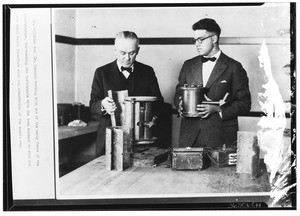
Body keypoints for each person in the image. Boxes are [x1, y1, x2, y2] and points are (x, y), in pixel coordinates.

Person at [174, 18, 251, 149]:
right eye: (195, 40)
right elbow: (178, 94)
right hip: (190, 138)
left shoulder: (234, 67)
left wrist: (217, 109)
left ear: (214, 38)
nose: (196, 44)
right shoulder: (188, 65)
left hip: (221, 138)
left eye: (201, 39)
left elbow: (245, 103)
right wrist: (180, 105)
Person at [90, 31, 163, 156]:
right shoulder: (101, 72)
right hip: (109, 140)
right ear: (115, 50)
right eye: (122, 53)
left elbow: (159, 103)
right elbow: (92, 105)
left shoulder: (148, 72)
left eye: (132, 53)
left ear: (138, 50)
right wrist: (103, 105)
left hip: (140, 140)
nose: (127, 58)